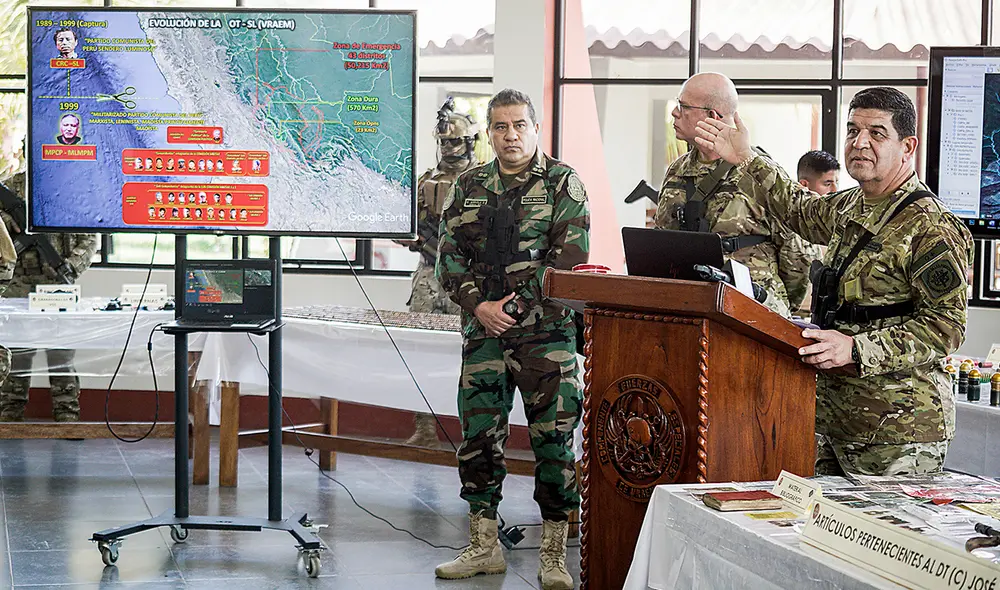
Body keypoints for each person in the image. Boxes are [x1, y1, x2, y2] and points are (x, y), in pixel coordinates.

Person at [694, 86, 973, 477]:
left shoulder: (932, 227)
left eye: (877, 133)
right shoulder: (851, 204)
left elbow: (946, 326)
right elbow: (797, 209)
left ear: (908, 146)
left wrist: (858, 348)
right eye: (852, 130)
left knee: (884, 538)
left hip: (898, 432)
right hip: (831, 422)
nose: (860, 143)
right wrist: (744, 156)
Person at [435, 88, 588, 589]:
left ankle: (553, 553)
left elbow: (568, 259)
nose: (510, 135)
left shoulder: (564, 183)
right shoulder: (470, 184)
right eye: (500, 127)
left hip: (547, 339)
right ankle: (484, 547)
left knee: (554, 443)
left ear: (536, 128)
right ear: (490, 133)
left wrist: (513, 310)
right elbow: (448, 253)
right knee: (478, 440)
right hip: (483, 336)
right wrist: (481, 306)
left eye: (519, 125)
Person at [654, 72, 813, 316]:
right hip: (693, 305)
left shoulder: (758, 172)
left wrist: (778, 305)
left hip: (752, 309)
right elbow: (663, 240)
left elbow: (797, 254)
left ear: (713, 116)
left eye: (683, 106)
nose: (675, 113)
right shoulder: (678, 170)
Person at [392, 97, 479, 448]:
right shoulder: (426, 180)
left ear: (470, 141)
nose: (448, 147)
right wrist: (411, 238)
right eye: (443, 141)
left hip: (469, 279)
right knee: (421, 352)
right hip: (429, 277)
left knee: (472, 356)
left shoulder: (482, 182)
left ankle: (474, 435)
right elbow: (404, 225)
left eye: (454, 141)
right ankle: (425, 428)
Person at [0, 173, 98, 422]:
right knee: (17, 352)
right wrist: (7, 221)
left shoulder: (70, 186)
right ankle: (10, 412)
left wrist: (71, 267)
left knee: (61, 354)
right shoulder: (11, 184)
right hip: (17, 284)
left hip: (57, 285)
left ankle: (67, 412)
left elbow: (89, 237)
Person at [794, 150, 842, 316]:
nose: (835, 190)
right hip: (797, 314)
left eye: (836, 182)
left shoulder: (838, 220)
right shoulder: (793, 222)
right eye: (828, 183)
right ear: (804, 185)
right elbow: (793, 277)